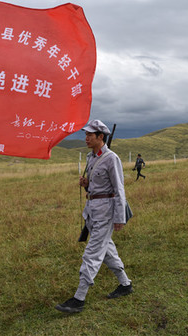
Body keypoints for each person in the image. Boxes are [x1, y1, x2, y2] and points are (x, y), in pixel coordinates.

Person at [55, 120, 132, 314]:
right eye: (86, 134)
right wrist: (87, 184)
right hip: (93, 210)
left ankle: (79, 298)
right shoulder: (91, 157)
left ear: (101, 137)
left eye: (90, 135)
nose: (86, 138)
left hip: (106, 212)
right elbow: (97, 186)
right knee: (106, 251)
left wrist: (119, 217)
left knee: (92, 254)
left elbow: (118, 189)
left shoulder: (111, 158)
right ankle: (125, 284)